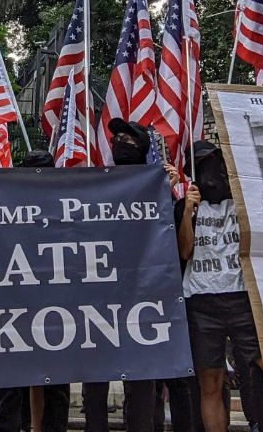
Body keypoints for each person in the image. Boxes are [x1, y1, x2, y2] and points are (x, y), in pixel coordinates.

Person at [175, 140, 263, 432]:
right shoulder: (187, 206)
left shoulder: (243, 202)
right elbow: (184, 251)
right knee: (210, 382)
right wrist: (187, 212)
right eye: (201, 165)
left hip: (244, 297)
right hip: (202, 302)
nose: (209, 171)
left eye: (213, 162)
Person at [82, 119, 166, 432]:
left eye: (128, 140)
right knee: (95, 375)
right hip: (100, 294)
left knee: (142, 376)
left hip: (143, 295)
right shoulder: (98, 184)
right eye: (116, 138)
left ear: (142, 149)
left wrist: (167, 190)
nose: (120, 142)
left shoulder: (156, 187)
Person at [0, 150, 72, 432]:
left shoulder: (66, 203)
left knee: (54, 380)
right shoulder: (7, 202)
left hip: (55, 303)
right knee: (12, 377)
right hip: (17, 302)